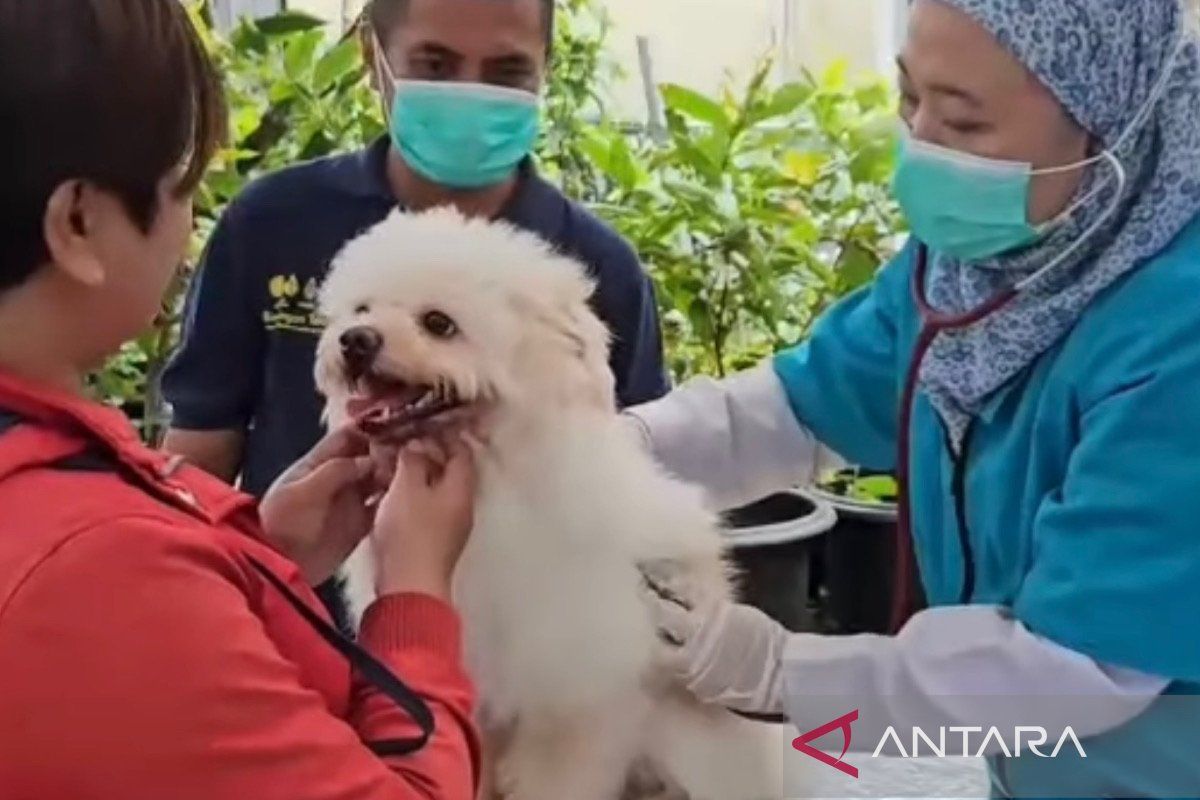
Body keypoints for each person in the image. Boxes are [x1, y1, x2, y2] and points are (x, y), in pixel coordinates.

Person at [631, 1, 1200, 796]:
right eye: (909, 99)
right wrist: (608, 452)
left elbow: (1079, 667)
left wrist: (782, 672)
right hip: (1040, 764)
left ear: (1107, 127)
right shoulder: (980, 264)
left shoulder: (1179, 333)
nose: (922, 145)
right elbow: (802, 405)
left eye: (965, 125)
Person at [0, 2, 481, 797]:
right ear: (79, 222)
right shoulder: (93, 564)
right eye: (181, 182)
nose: (190, 223)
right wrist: (416, 596)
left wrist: (257, 562)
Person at [160, 0, 669, 498]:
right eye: (435, 65)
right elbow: (200, 450)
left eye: (507, 71)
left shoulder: (595, 270)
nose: (470, 92)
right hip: (293, 579)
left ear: (546, 69)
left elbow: (637, 471)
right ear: (371, 57)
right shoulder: (272, 221)